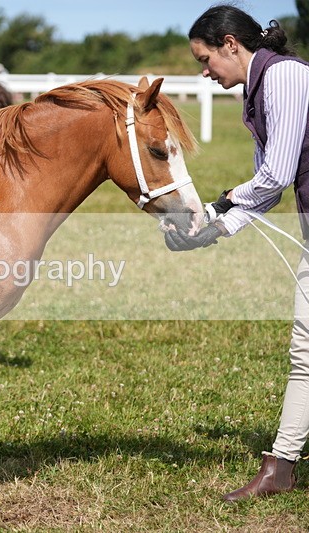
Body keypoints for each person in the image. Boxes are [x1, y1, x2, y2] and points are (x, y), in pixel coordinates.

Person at [166, 4, 309, 501]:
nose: (205, 73)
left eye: (205, 60)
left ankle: (281, 466)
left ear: (231, 43)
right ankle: (282, 467)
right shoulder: (258, 89)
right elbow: (267, 192)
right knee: (305, 352)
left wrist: (215, 205)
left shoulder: (286, 78)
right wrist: (214, 229)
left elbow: (276, 174)